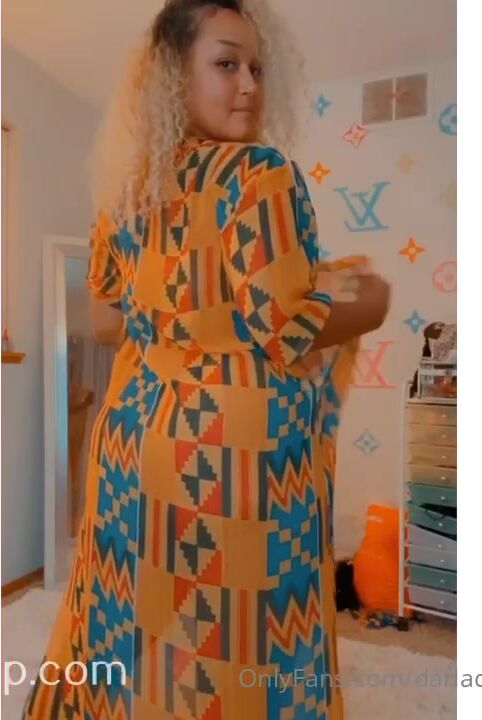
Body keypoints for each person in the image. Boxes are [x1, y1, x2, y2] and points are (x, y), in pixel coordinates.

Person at [23, 1, 389, 718]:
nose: (249, 83)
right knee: (238, 644)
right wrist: (371, 297)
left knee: (133, 626)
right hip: (230, 464)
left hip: (133, 445)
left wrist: (188, 322)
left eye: (257, 67)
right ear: (173, 75)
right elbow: (284, 325)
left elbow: (106, 322)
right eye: (226, 63)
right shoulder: (260, 174)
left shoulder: (125, 192)